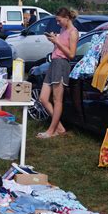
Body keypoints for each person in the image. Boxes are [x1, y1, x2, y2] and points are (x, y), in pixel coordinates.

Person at [37, 8, 79, 138]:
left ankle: (51, 131)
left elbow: (71, 54)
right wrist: (54, 40)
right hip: (54, 63)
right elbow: (60, 48)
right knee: (43, 98)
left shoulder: (73, 32)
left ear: (67, 18)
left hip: (62, 65)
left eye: (59, 20)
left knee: (57, 100)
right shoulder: (63, 30)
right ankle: (59, 127)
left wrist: (57, 42)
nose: (58, 23)